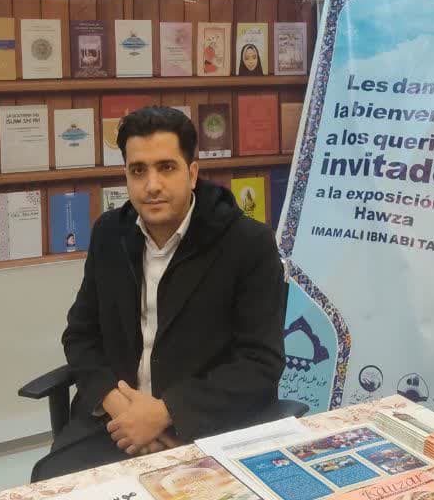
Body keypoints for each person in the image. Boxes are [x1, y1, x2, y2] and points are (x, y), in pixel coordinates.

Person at [32, 106, 285, 480]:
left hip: (207, 426)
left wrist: (165, 413)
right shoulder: (110, 234)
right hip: (115, 424)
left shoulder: (247, 244)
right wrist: (122, 409)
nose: (151, 185)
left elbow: (260, 363)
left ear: (192, 173)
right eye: (138, 170)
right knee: (51, 485)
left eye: (166, 167)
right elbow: (81, 336)